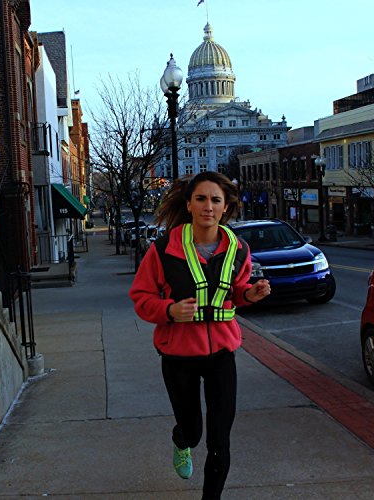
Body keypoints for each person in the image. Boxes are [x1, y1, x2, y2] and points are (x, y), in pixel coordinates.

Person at [129, 172, 270, 499]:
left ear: (225, 207)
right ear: (189, 205)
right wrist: (169, 310)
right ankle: (182, 441)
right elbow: (141, 297)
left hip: (221, 354)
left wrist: (250, 295)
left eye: (215, 200)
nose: (209, 206)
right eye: (201, 199)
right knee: (193, 432)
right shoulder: (164, 250)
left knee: (220, 440)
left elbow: (235, 292)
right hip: (178, 356)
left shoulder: (239, 249)